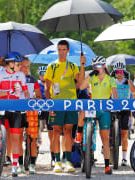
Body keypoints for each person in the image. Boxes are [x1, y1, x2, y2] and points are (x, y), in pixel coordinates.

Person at [0, 52, 30, 177]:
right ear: (10, 63)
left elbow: (25, 92)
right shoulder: (0, 74)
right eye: (17, 63)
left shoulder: (20, 75)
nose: (19, 66)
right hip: (1, 106)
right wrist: (8, 91)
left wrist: (27, 101)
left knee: (16, 138)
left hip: (15, 108)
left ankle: (15, 166)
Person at [44, 40, 86, 173]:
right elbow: (47, 86)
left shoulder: (73, 66)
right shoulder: (52, 66)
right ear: (57, 50)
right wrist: (49, 104)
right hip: (56, 102)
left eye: (64, 49)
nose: (61, 52)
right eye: (59, 49)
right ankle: (57, 162)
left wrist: (82, 65)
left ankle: (67, 161)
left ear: (68, 51)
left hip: (71, 102)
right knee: (56, 132)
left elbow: (80, 82)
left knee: (68, 131)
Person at [80, 55, 118, 174]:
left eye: (99, 65)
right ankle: (81, 139)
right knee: (87, 128)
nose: (97, 68)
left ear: (104, 65)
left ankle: (107, 166)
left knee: (105, 138)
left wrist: (114, 102)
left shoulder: (111, 79)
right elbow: (81, 87)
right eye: (95, 66)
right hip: (93, 107)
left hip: (104, 110)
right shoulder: (92, 78)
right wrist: (90, 75)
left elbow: (115, 95)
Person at [18, 57, 42, 174]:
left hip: (31, 111)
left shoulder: (33, 80)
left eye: (28, 66)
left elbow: (39, 96)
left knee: (32, 138)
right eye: (23, 66)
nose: (26, 69)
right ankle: (20, 164)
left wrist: (34, 98)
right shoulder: (15, 79)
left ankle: (32, 164)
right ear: (18, 66)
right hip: (17, 111)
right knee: (17, 139)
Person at [110, 61, 135, 166]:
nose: (119, 73)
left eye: (121, 71)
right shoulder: (112, 81)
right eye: (117, 71)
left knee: (124, 134)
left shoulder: (126, 81)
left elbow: (133, 90)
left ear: (124, 72)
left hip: (125, 110)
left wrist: (129, 79)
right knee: (111, 133)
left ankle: (124, 158)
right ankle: (110, 154)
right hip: (114, 108)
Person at [38, 66, 55, 167]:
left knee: (51, 134)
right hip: (40, 108)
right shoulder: (37, 84)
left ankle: (53, 157)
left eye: (45, 74)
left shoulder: (52, 84)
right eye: (41, 74)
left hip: (49, 108)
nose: (43, 76)